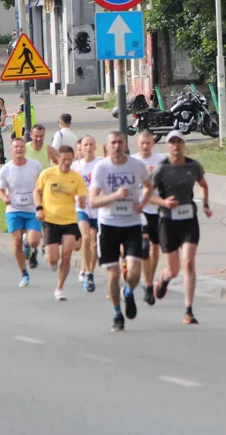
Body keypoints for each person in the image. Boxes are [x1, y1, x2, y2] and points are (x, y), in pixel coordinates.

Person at [89, 131, 152, 332]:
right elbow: (92, 201)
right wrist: (114, 196)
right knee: (114, 273)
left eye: (120, 142)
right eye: (113, 143)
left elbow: (149, 185)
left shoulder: (136, 165)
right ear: (107, 147)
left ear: (125, 145)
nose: (117, 146)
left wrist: (142, 202)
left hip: (132, 224)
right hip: (108, 225)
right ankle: (117, 313)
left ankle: (128, 292)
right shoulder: (102, 168)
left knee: (133, 273)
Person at [150, 131, 212, 325]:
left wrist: (205, 204)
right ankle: (165, 278)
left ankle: (188, 310)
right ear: (167, 146)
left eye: (179, 142)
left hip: (188, 219)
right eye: (172, 142)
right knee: (174, 269)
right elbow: (147, 195)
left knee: (188, 263)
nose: (176, 145)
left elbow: (203, 184)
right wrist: (162, 202)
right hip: (167, 221)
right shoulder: (161, 169)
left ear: (184, 145)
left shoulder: (193, 165)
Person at [35, 145, 87, 301]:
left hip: (70, 220)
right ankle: (50, 257)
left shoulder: (76, 177)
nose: (67, 163)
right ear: (57, 159)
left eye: (70, 160)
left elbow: (83, 201)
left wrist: (80, 201)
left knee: (66, 254)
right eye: (64, 160)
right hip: (51, 220)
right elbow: (37, 191)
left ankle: (59, 288)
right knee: (53, 259)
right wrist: (39, 208)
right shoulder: (48, 174)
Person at [0, 137, 43, 287]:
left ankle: (30, 248)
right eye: (16, 147)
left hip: (31, 209)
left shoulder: (35, 166)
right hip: (14, 209)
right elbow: (0, 190)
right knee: (16, 242)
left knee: (34, 240)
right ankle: (24, 274)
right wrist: (5, 198)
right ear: (11, 150)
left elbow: (42, 186)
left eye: (21, 147)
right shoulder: (6, 169)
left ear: (25, 149)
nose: (19, 149)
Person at [135, 130, 166, 306]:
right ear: (137, 144)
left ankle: (149, 279)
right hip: (140, 210)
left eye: (148, 143)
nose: (145, 146)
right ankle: (147, 284)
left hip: (157, 209)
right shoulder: (133, 161)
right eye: (142, 143)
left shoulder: (160, 161)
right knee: (145, 247)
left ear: (153, 144)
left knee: (155, 249)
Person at [72, 135, 100, 292]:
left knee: (94, 242)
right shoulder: (76, 167)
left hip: (97, 207)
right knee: (86, 237)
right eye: (85, 145)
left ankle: (89, 270)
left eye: (91, 144)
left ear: (95, 147)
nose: (88, 147)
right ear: (81, 148)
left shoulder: (100, 164)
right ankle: (87, 272)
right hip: (81, 207)